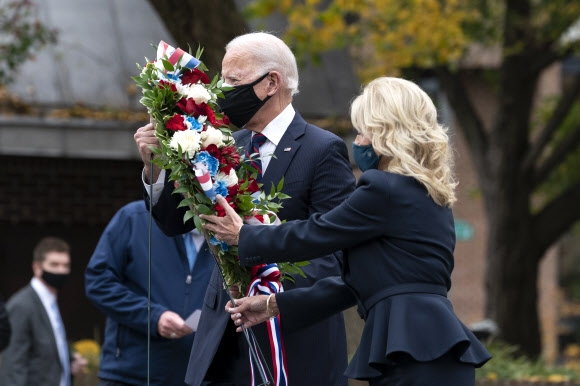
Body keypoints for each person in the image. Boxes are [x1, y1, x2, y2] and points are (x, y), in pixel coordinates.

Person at [201, 77, 493, 386]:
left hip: (411, 349)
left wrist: (244, 236)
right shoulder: (429, 194)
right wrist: (273, 305)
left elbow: (318, 233)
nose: (360, 141)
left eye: (363, 130)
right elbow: (353, 284)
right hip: (429, 347)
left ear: (384, 132)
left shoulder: (383, 189)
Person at [134, 31, 356, 386]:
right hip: (225, 336)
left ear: (271, 83)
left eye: (233, 81)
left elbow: (334, 250)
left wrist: (268, 291)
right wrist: (155, 167)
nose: (221, 92)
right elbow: (174, 223)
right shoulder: (224, 144)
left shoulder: (322, 149)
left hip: (291, 338)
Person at [85, 200, 214, 386]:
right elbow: (98, 281)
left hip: (195, 378)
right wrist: (152, 316)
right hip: (131, 375)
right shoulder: (134, 218)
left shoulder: (228, 233)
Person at [0, 237, 87, 386]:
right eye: (54, 265)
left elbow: (44, 350)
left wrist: (68, 360)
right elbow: (13, 366)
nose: (61, 270)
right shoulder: (22, 305)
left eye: (66, 265)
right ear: (37, 267)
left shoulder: (50, 301)